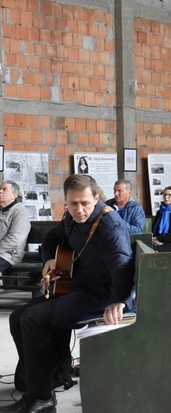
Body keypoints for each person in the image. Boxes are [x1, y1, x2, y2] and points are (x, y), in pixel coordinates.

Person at [8, 174, 135, 413]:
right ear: (65, 201)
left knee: (33, 320)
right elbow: (51, 239)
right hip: (77, 286)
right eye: (73, 203)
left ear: (96, 198)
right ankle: (41, 383)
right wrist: (49, 261)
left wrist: (119, 300)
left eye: (85, 203)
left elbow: (123, 265)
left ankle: (42, 398)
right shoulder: (70, 217)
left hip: (101, 296)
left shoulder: (110, 225)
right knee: (17, 317)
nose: (79, 210)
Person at [0, 180, 31, 274]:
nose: (0, 191)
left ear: (14, 195)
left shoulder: (20, 212)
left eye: (4, 189)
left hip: (8, 254)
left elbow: (14, 239)